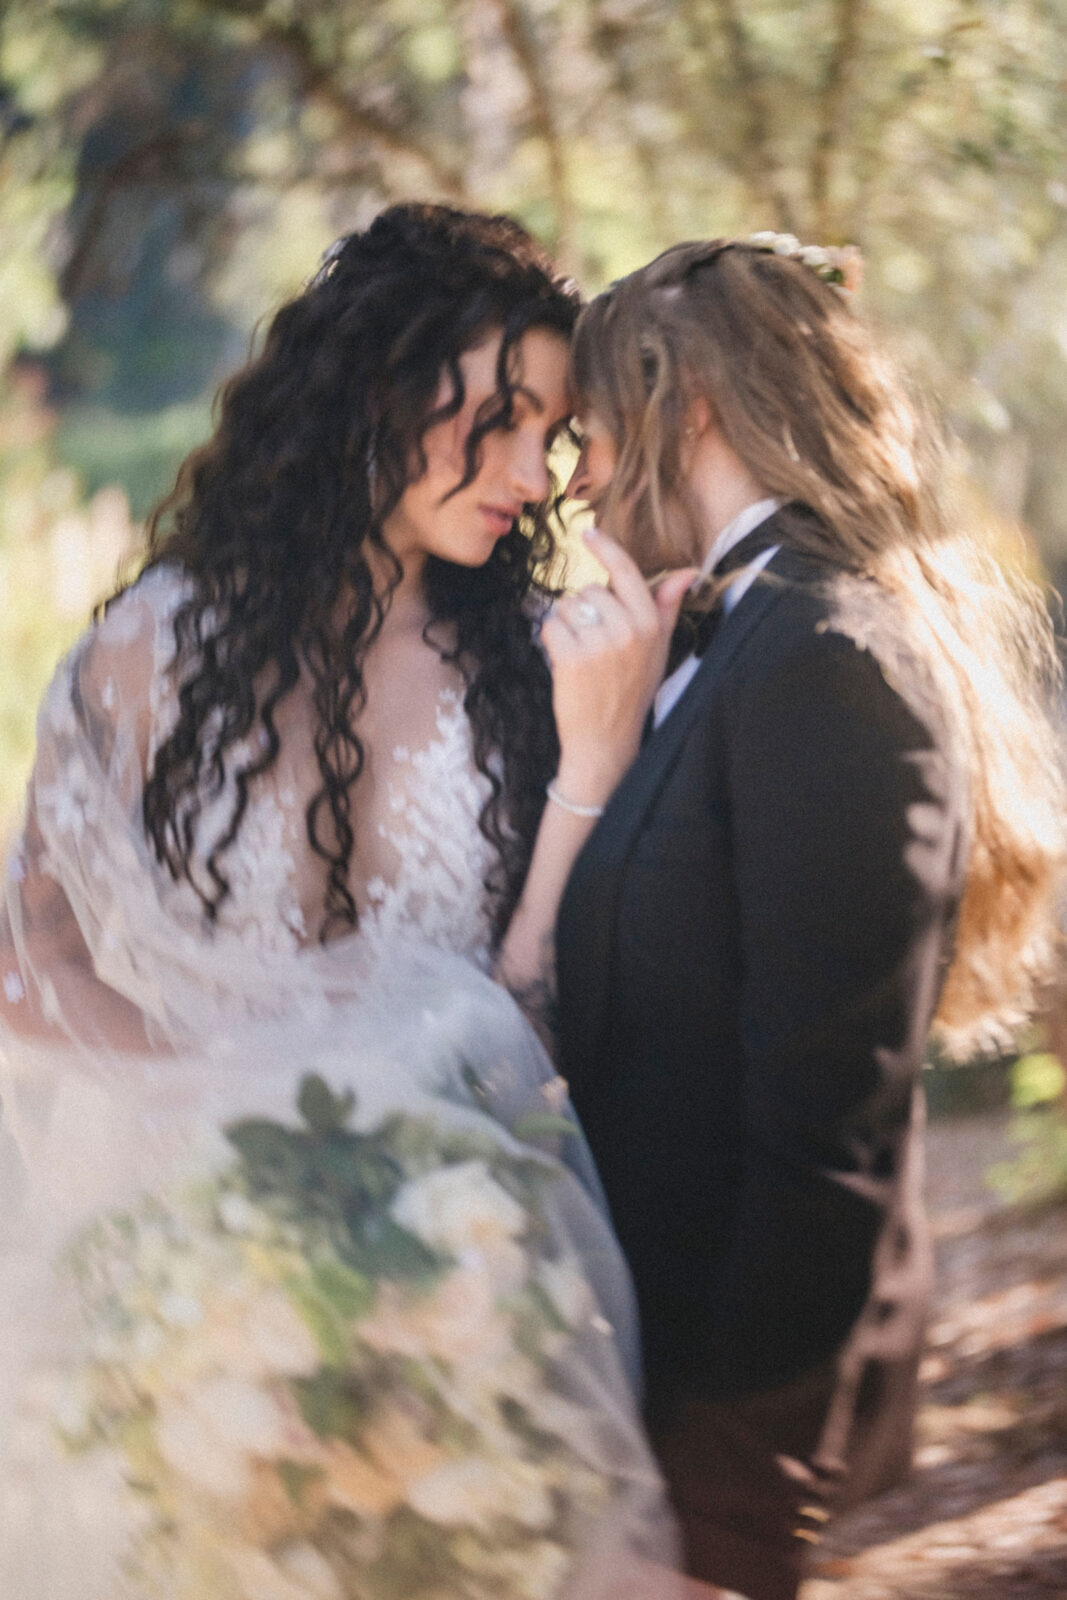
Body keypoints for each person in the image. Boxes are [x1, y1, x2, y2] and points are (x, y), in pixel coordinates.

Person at [0, 204, 700, 1599]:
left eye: (548, 435)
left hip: (469, 1263)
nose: (524, 472)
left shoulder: (530, 666)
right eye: (493, 419)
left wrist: (597, 759)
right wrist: (215, 1098)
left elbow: (530, 1019)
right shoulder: (149, 651)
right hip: (180, 1276)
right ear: (379, 388)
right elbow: (29, 959)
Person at [553, 233, 1066, 1600]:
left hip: (719, 1436)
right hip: (636, 1388)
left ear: (688, 403)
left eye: (590, 438)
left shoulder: (827, 659)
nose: (579, 483)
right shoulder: (728, 634)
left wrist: (729, 1517)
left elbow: (825, 1133)